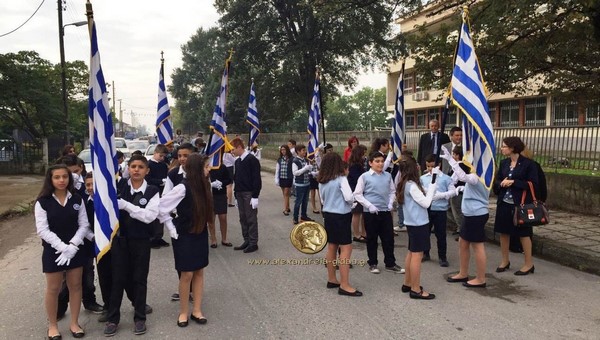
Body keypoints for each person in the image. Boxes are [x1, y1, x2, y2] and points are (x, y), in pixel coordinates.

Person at [104, 155, 160, 336]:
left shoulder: (152, 191)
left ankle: (139, 317)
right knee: (118, 280)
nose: (136, 170)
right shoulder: (119, 186)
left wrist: (126, 206)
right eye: (133, 166)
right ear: (128, 168)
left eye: (140, 167)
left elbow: (149, 216)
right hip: (120, 240)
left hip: (141, 240)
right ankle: (113, 319)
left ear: (147, 170)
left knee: (139, 279)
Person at [158, 154, 213, 328]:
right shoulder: (182, 187)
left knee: (198, 271)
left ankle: (197, 309)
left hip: (200, 232)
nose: (209, 169)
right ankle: (183, 312)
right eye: (206, 166)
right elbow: (161, 207)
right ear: (197, 169)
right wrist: (171, 228)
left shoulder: (205, 185)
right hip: (184, 234)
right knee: (186, 273)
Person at [35, 164, 89, 339]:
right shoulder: (43, 202)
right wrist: (62, 247)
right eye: (57, 177)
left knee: (75, 286)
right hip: (54, 251)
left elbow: (84, 225)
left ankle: (74, 323)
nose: (61, 180)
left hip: (75, 250)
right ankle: (52, 326)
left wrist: (72, 246)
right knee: (53, 288)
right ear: (50, 180)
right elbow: (43, 230)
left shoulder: (77, 199)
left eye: (65, 177)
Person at [440, 145, 490, 288]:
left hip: (476, 214)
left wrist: (451, 160)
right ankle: (463, 272)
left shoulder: (478, 175)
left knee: (477, 246)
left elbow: (464, 177)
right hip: (470, 213)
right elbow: (469, 185)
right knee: (463, 243)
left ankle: (481, 278)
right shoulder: (479, 175)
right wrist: (462, 188)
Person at [317, 152, 363, 297]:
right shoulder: (341, 179)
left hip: (328, 215)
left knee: (332, 246)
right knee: (346, 249)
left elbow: (323, 200)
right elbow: (349, 197)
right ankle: (344, 284)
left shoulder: (322, 180)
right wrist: (353, 201)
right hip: (341, 215)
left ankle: (332, 279)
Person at [493, 137, 539, 275]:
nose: (502, 148)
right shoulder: (504, 163)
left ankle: (528, 264)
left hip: (520, 205)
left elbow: (533, 184)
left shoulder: (528, 164)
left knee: (523, 234)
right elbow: (498, 180)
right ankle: (505, 260)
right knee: (504, 232)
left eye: (504, 146)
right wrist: (501, 183)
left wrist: (513, 182)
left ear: (512, 148)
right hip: (504, 203)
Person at [354, 151, 403, 274]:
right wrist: (369, 205)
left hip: (385, 211)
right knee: (372, 238)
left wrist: (391, 202)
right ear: (370, 163)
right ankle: (373, 262)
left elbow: (392, 191)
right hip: (371, 212)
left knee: (388, 238)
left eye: (382, 161)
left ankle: (390, 263)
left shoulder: (387, 176)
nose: (380, 164)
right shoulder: (364, 177)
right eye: (377, 161)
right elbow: (357, 194)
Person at [396, 158, 438, 299]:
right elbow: (426, 203)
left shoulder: (404, 183)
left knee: (411, 252)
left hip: (412, 222)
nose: (420, 167)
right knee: (417, 255)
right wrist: (433, 183)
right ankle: (415, 288)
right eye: (417, 165)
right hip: (418, 223)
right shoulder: (412, 185)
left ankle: (407, 283)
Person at [420, 154, 456, 266]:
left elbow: (452, 192)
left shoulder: (446, 178)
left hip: (440, 210)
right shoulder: (423, 178)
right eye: (428, 166)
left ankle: (442, 256)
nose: (430, 169)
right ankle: (425, 253)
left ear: (439, 165)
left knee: (441, 234)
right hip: (427, 209)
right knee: (425, 233)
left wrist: (441, 195)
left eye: (432, 166)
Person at [231, 138, 262, 253]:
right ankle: (246, 240)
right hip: (239, 193)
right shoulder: (238, 161)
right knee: (242, 218)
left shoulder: (251, 160)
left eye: (233, 149)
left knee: (251, 218)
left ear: (239, 147)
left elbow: (256, 179)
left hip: (249, 193)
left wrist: (255, 196)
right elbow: (236, 178)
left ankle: (253, 242)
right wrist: (235, 194)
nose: (232, 151)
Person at [146, 144, 170, 249]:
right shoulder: (148, 165)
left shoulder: (163, 165)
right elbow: (148, 180)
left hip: (162, 193)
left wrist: (166, 182)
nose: (162, 158)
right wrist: (161, 181)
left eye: (164, 156)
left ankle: (159, 236)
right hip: (152, 193)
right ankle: (151, 238)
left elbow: (166, 176)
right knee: (153, 216)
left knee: (161, 214)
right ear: (155, 153)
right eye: (160, 155)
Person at [209, 162, 233, 248]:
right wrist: (211, 184)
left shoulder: (222, 167)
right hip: (209, 195)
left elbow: (229, 179)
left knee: (223, 218)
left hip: (221, 194)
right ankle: (213, 240)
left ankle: (224, 239)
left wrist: (221, 183)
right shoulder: (207, 166)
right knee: (211, 219)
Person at [347, 144, 367, 242]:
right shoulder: (354, 165)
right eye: (363, 153)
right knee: (357, 213)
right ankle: (356, 234)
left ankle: (364, 232)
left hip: (362, 191)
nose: (365, 155)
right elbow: (357, 179)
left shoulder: (360, 163)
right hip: (356, 191)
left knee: (364, 213)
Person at [291, 144, 314, 224]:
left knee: (305, 201)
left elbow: (307, 171)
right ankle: (295, 217)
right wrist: (305, 169)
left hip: (307, 183)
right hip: (299, 185)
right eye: (303, 150)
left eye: (305, 150)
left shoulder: (305, 160)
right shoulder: (295, 161)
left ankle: (304, 216)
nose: (305, 152)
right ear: (298, 152)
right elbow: (295, 173)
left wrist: (312, 172)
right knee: (298, 202)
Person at [275, 144, 294, 216]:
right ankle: (288, 206)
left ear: (287, 150)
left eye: (284, 149)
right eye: (282, 150)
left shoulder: (291, 158)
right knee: (285, 194)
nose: (283, 151)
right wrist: (276, 179)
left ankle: (285, 210)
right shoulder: (280, 159)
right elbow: (277, 169)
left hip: (288, 178)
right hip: (282, 178)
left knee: (286, 193)